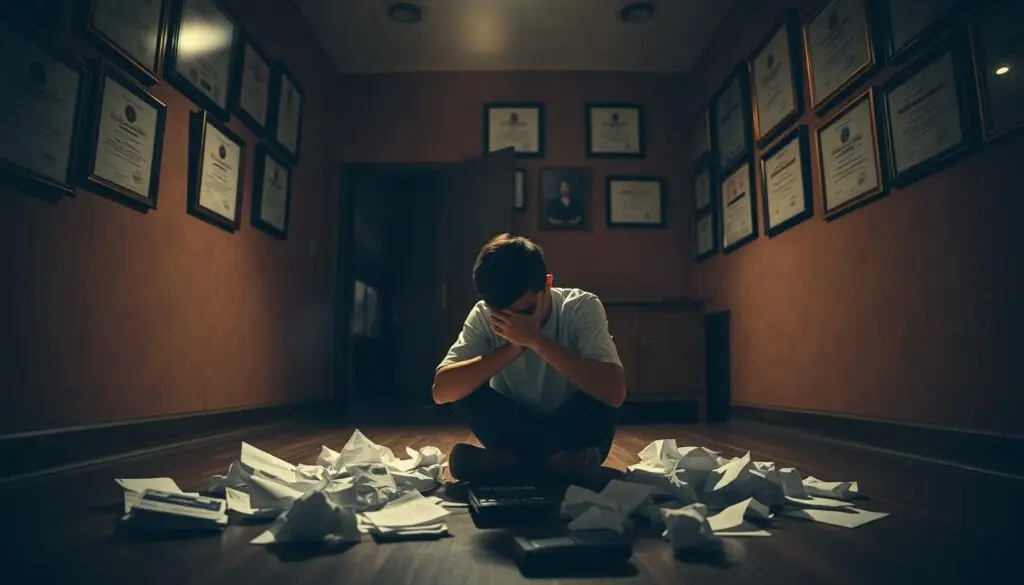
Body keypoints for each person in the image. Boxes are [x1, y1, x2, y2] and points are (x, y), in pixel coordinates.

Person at [432, 234, 626, 487]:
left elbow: (614, 392)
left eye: (525, 311)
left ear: (547, 284)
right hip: (514, 428)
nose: (514, 323)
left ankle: (506, 463)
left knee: (601, 385)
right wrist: (513, 348)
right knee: (463, 384)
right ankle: (559, 464)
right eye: (502, 315)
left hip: (573, 430)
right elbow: (442, 391)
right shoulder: (483, 314)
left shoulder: (580, 307)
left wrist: (537, 341)